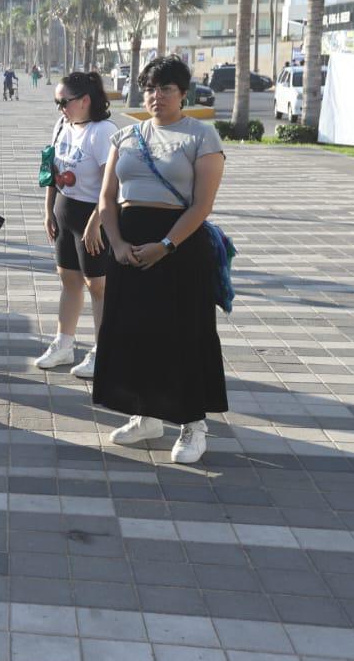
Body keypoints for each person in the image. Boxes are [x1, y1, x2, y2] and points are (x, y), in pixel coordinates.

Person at [95, 55, 228, 463]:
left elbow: (201, 205)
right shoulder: (126, 136)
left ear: (183, 94)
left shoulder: (201, 137)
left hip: (180, 249)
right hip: (129, 247)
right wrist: (116, 243)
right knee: (134, 330)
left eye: (166, 89)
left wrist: (166, 246)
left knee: (184, 333)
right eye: (150, 89)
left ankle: (193, 424)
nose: (156, 97)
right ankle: (145, 413)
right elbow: (106, 198)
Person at [37, 72, 117, 378]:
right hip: (65, 212)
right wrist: (48, 211)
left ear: (85, 101)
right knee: (69, 280)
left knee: (97, 285)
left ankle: (104, 350)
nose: (60, 108)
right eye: (57, 102)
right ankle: (64, 344)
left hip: (91, 217)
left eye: (64, 101)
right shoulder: (63, 126)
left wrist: (97, 221)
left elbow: (113, 184)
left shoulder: (102, 132)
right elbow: (52, 170)